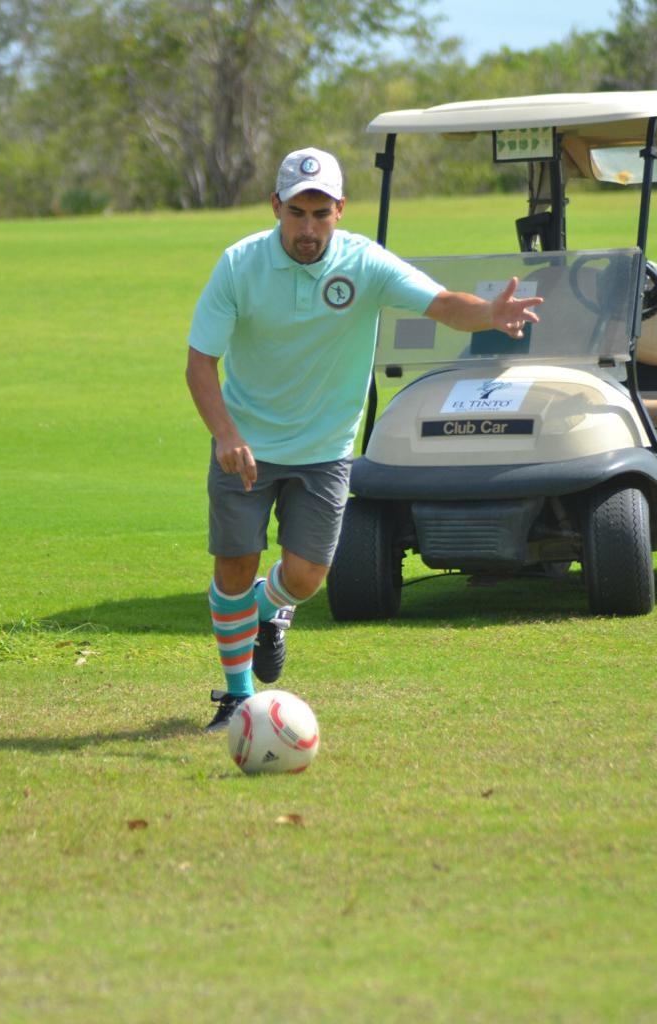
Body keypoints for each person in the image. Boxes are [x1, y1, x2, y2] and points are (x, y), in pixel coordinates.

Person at [186, 146, 543, 731]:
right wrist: (225, 434)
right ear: (276, 205)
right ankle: (236, 696)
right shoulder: (239, 264)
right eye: (297, 212)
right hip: (246, 444)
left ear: (340, 210)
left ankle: (267, 612)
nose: (308, 227)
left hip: (325, 451)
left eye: (321, 213)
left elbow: (443, 304)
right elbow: (200, 361)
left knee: (303, 579)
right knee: (232, 571)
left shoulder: (365, 263)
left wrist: (489, 313)